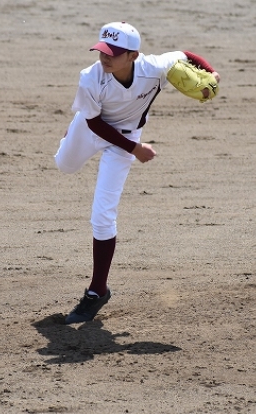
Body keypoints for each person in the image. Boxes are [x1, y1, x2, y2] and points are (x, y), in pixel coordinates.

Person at [54, 21, 220, 324]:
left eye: (113, 53)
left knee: (103, 215)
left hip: (127, 138)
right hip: (92, 128)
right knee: (64, 165)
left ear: (133, 55)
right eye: (102, 50)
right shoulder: (90, 77)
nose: (105, 57)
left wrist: (212, 72)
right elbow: (95, 123)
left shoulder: (154, 68)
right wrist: (136, 150)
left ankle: (97, 291)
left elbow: (185, 54)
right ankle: (71, 132)